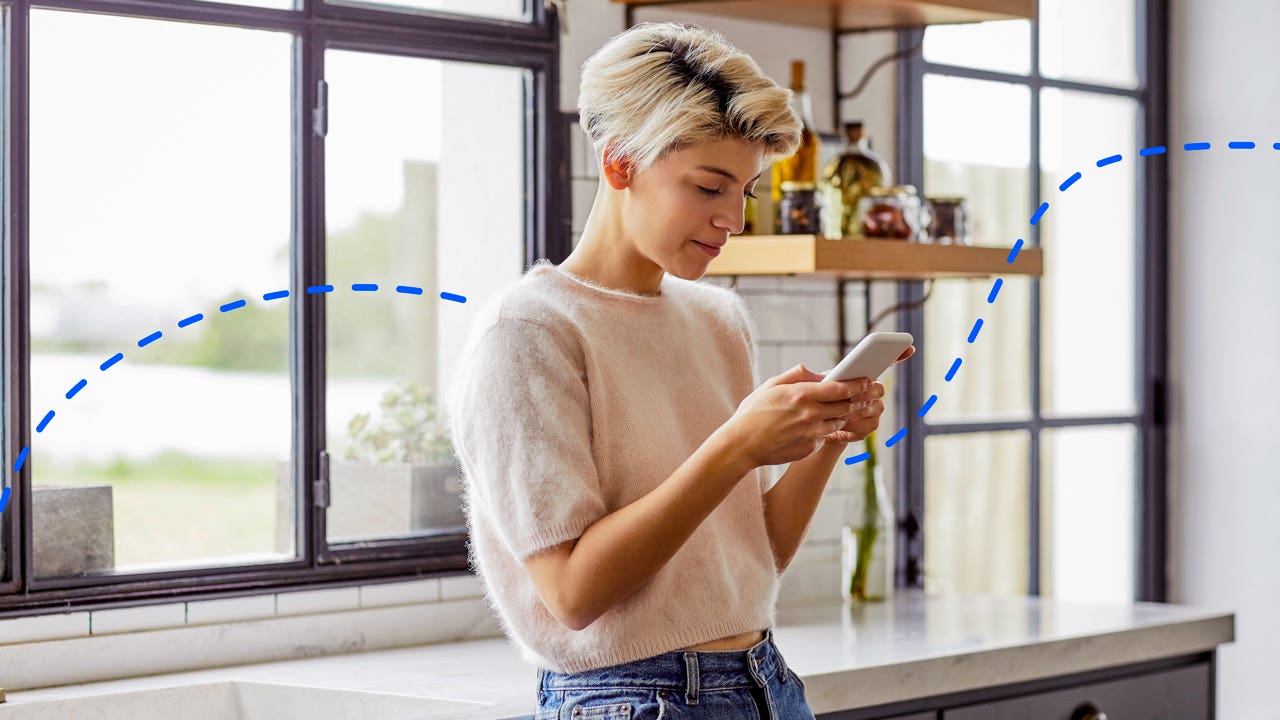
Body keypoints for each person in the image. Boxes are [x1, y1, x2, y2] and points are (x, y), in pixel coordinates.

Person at [446, 21, 914, 720]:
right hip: (631, 700)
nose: (732, 218)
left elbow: (750, 562)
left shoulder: (717, 320)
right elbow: (573, 593)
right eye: (708, 186)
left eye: (746, 192)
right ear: (620, 164)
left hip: (765, 682)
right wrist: (735, 447)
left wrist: (824, 437)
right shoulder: (529, 334)